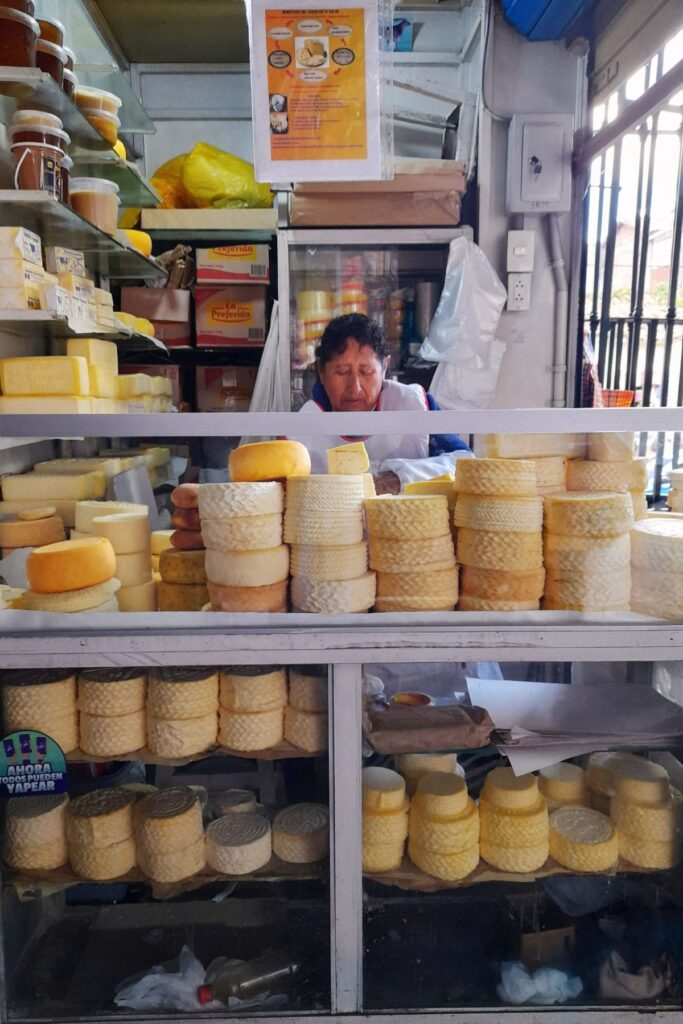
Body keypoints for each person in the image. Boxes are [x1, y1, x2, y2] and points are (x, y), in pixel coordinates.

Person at [291, 313, 473, 492]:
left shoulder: (412, 405)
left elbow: (464, 462)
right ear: (321, 371)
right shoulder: (301, 431)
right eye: (342, 372)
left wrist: (399, 477)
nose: (354, 388)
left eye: (367, 372)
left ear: (384, 367)